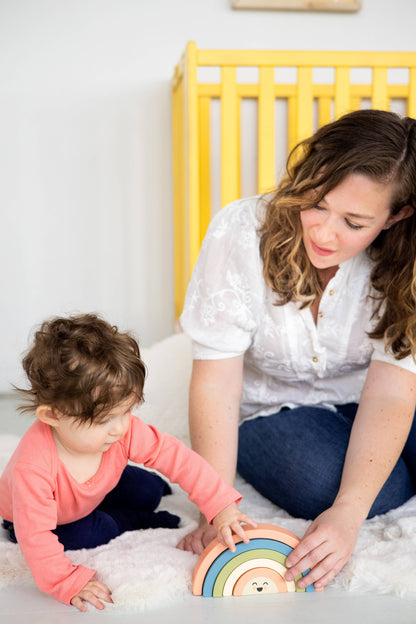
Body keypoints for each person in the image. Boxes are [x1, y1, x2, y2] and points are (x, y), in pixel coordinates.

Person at [178, 109, 416, 590]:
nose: (324, 233)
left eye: (354, 222)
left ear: (398, 215)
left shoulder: (407, 259)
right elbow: (218, 382)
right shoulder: (241, 232)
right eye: (317, 204)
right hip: (277, 406)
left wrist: (350, 514)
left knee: (359, 492)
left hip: (370, 393)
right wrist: (217, 504)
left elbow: (392, 392)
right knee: (354, 486)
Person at [0, 314, 256, 611]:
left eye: (127, 411)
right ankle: (132, 521)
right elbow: (37, 540)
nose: (120, 428)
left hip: (100, 485)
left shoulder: (120, 430)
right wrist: (66, 582)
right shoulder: (34, 469)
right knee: (88, 533)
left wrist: (220, 506)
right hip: (54, 517)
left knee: (149, 490)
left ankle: (137, 501)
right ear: (53, 416)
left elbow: (178, 458)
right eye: (105, 419)